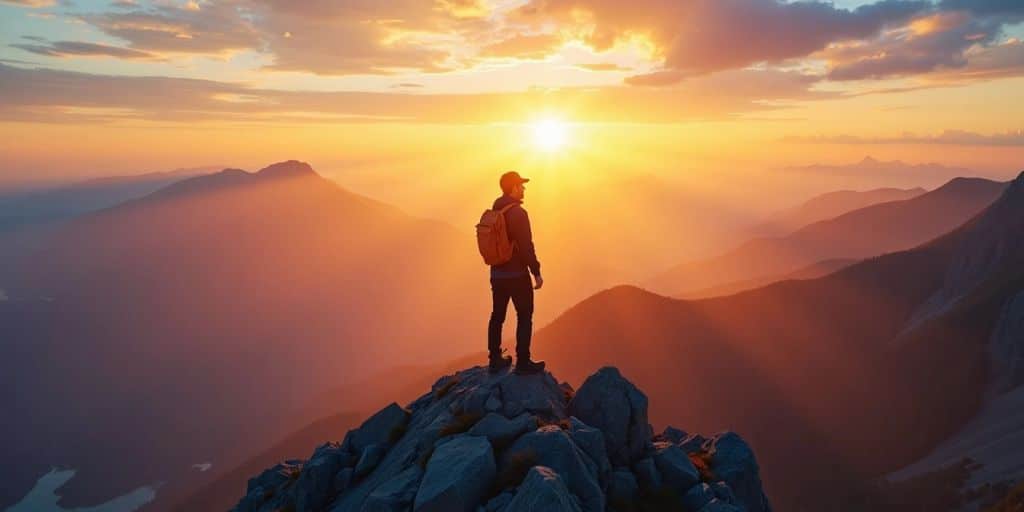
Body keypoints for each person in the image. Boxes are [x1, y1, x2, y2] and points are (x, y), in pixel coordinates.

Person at [488, 171, 546, 375]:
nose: (524, 189)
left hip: (496, 274)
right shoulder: (519, 214)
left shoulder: (496, 209)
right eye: (521, 185)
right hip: (517, 275)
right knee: (524, 315)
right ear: (513, 188)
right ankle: (523, 362)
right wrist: (536, 272)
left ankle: (494, 359)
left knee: (497, 316)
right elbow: (526, 246)